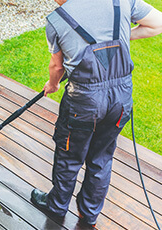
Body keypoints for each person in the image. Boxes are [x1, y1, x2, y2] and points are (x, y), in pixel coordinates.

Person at [30, 0, 162, 227]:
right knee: (101, 156)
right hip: (121, 99)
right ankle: (89, 213)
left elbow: (57, 67)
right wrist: (118, 39)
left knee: (69, 156)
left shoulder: (56, 19)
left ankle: (57, 206)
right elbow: (157, 23)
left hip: (83, 102)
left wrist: (52, 85)